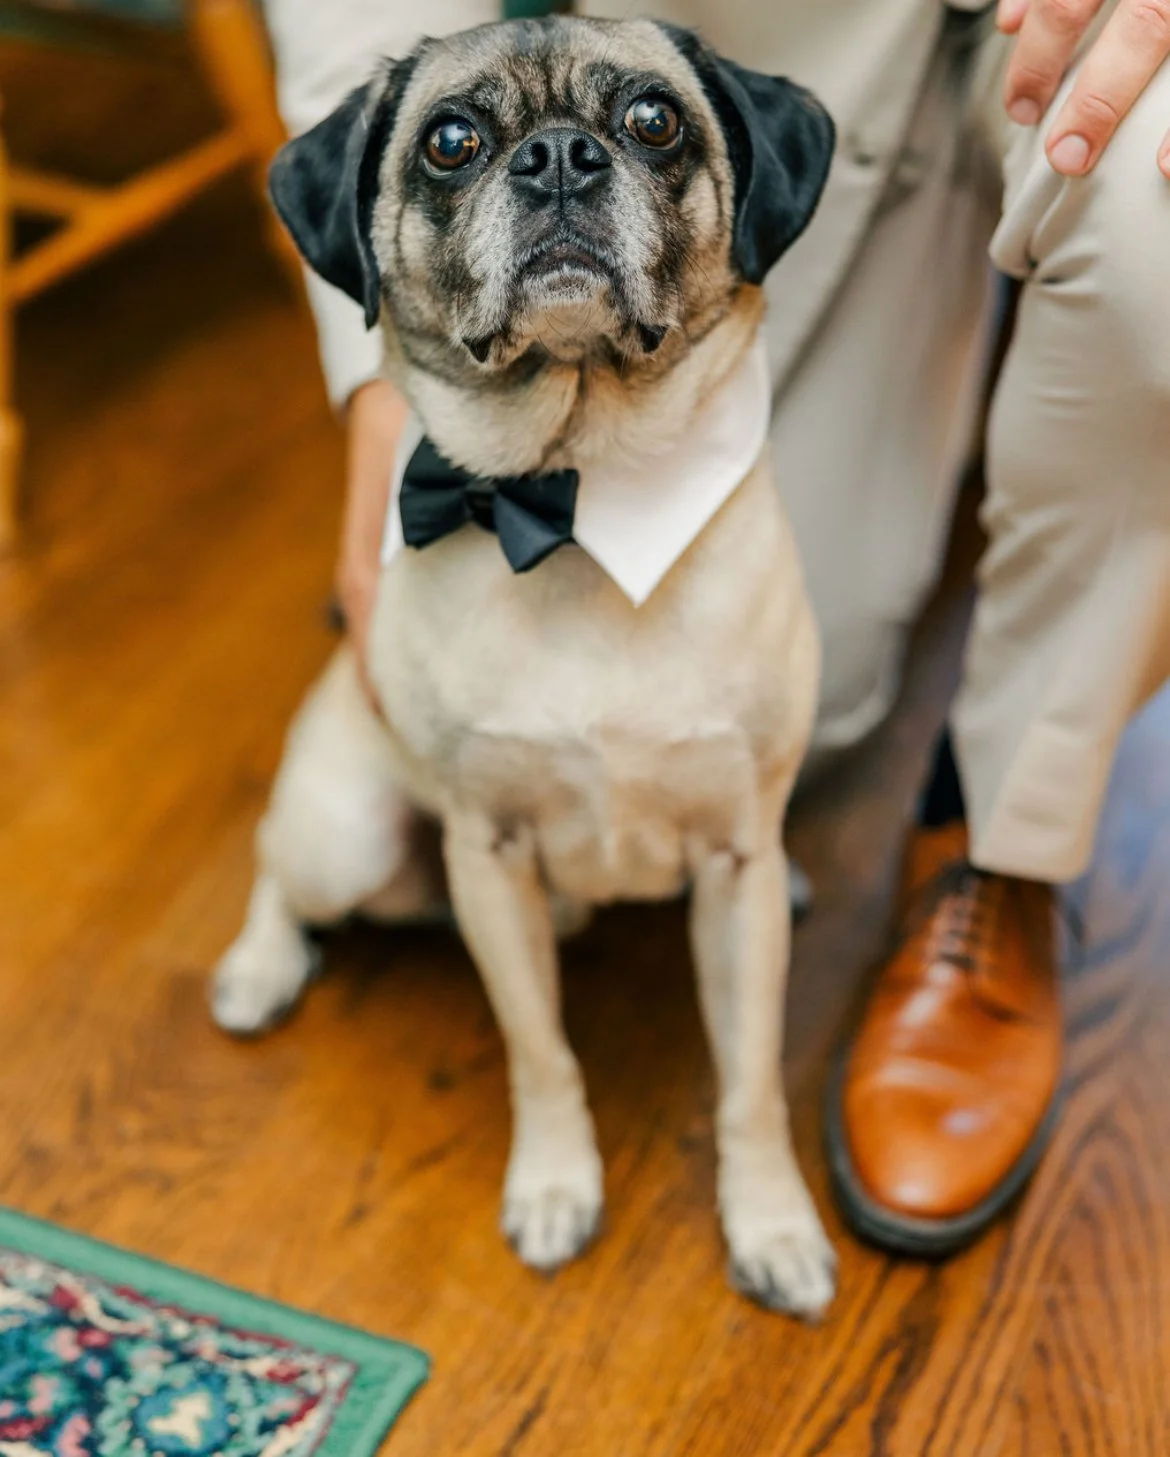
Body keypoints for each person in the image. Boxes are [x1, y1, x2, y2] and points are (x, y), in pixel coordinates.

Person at [261, 0, 1170, 1256]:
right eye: (462, 149)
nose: (563, 170)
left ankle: (1005, 855)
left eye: (635, 132)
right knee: (328, 856)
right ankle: (294, 917)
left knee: (833, 693)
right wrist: (372, 396)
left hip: (1001, 36)